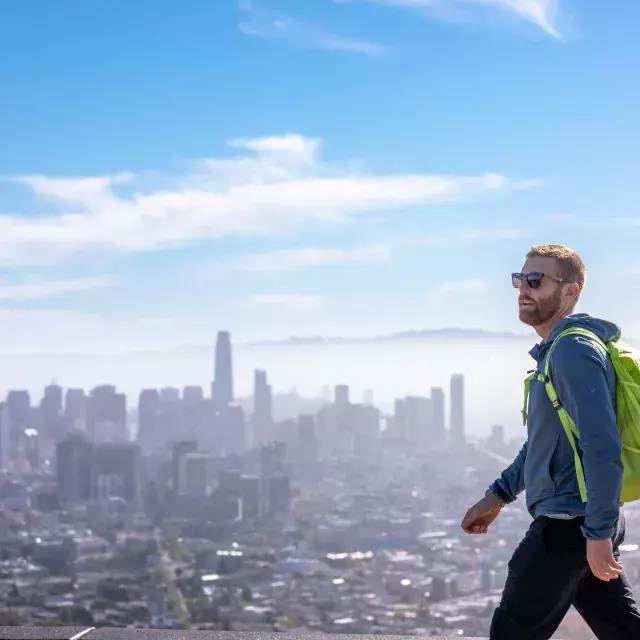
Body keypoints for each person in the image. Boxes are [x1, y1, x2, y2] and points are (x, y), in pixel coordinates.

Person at [461, 244, 640, 639]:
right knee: (623, 630)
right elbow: (544, 443)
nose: (524, 289)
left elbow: (602, 446)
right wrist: (497, 496)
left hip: (569, 526)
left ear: (571, 291)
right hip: (584, 521)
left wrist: (596, 535)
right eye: (520, 279)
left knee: (512, 631)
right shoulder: (558, 351)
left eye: (536, 280)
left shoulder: (572, 351)